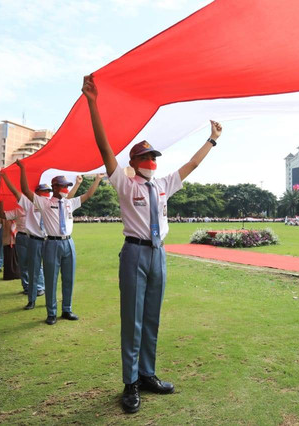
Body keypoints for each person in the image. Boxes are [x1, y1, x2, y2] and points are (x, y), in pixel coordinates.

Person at [82, 74, 222, 414]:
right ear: (133, 162)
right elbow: (104, 149)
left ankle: (147, 374)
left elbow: (191, 165)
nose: (151, 161)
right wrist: (92, 103)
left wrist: (212, 140)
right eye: (145, 157)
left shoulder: (162, 185)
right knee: (132, 318)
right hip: (134, 252)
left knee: (152, 317)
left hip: (159, 254)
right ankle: (129, 383)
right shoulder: (124, 184)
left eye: (153, 156)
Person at [16, 159, 102, 325]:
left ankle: (67, 309)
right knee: (51, 279)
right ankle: (51, 313)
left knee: (69, 278)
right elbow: (26, 190)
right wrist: (22, 170)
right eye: (62, 186)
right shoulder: (44, 203)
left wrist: (97, 179)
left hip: (69, 243)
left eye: (67, 186)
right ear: (54, 187)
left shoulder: (70, 203)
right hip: (52, 243)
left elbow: (88, 195)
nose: (65, 189)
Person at [0, 168, 82, 310]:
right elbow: (17, 191)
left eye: (48, 191)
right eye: (43, 191)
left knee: (50, 272)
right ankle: (32, 299)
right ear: (36, 193)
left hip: (50, 241)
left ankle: (50, 301)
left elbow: (69, 199)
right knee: (34, 270)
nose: (46, 194)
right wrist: (5, 178)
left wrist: (77, 184)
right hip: (36, 240)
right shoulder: (31, 203)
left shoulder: (54, 203)